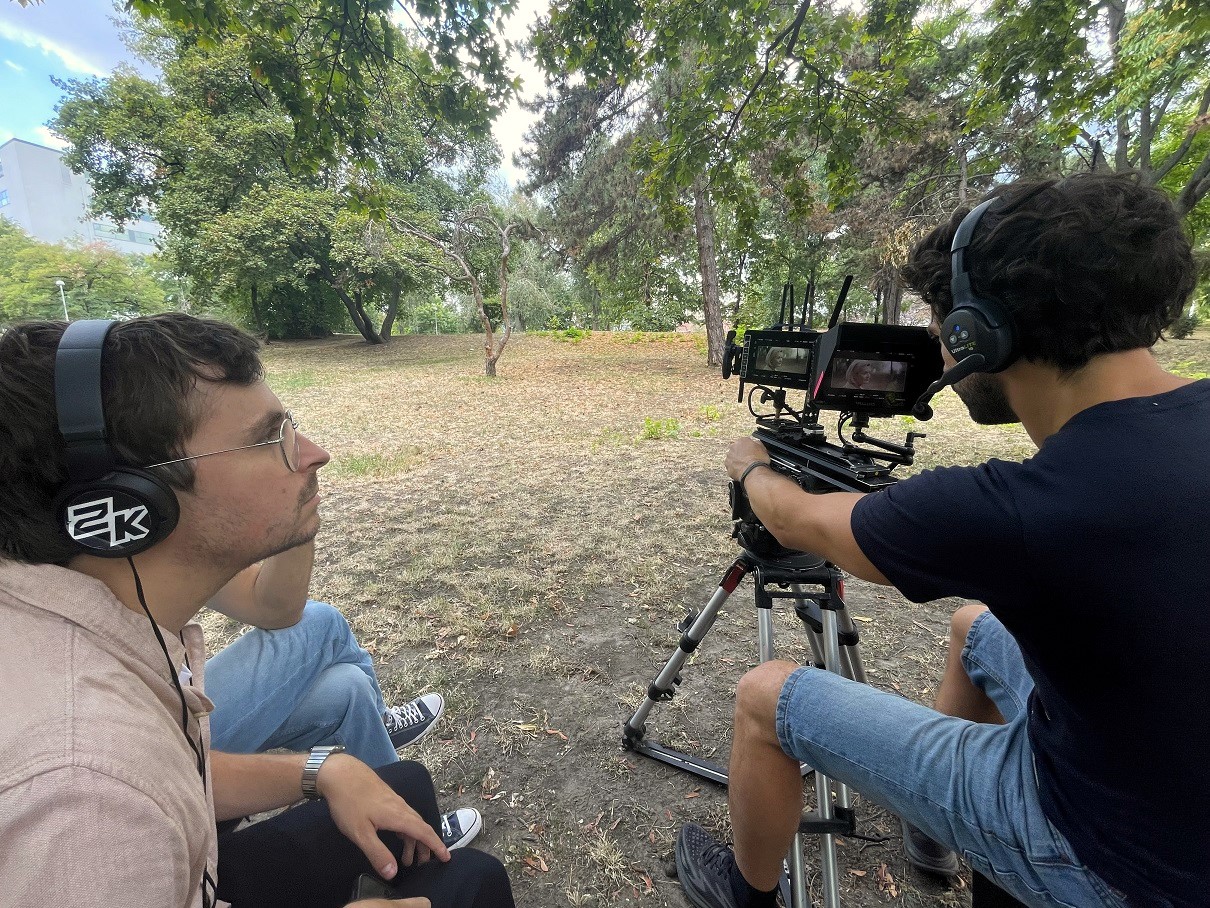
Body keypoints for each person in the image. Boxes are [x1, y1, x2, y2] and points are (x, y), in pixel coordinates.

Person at [674, 173, 1206, 908]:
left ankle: (744, 893)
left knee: (765, 698)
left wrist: (751, 466)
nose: (937, 350)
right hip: (1165, 794)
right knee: (975, 627)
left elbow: (797, 520)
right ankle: (936, 829)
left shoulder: (1022, 506)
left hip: (1107, 862)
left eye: (941, 326)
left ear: (979, 332)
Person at [0, 314, 514, 908]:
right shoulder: (85, 794)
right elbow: (129, 795)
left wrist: (320, 769)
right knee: (476, 881)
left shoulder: (80, 598)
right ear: (126, 502)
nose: (316, 454)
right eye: (271, 440)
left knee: (385, 748)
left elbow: (275, 612)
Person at [204, 547, 483, 849]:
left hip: (185, 703)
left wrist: (295, 530)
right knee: (323, 622)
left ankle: (410, 824)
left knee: (349, 689)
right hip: (173, 735)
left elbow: (270, 606)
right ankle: (382, 723)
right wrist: (318, 773)